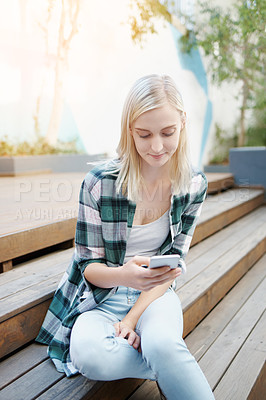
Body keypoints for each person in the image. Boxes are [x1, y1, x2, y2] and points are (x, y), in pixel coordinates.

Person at [36, 74, 214, 399]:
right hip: (100, 297)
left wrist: (132, 318)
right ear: (129, 129)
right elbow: (88, 266)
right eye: (144, 134)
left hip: (155, 296)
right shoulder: (99, 183)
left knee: (162, 342)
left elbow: (173, 267)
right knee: (90, 355)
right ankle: (170, 363)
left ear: (183, 123)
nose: (157, 146)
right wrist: (125, 276)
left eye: (168, 132)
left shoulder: (193, 185)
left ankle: (166, 356)